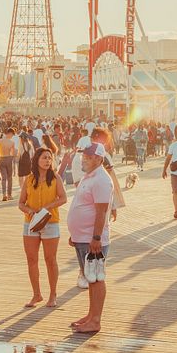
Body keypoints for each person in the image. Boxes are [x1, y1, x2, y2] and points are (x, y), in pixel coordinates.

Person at [67, 142, 113, 334]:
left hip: (92, 239)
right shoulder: (89, 176)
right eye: (83, 155)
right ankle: (90, 315)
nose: (83, 159)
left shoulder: (101, 179)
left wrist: (96, 238)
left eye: (88, 156)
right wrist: (75, 234)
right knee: (89, 277)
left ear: (99, 159)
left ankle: (96, 320)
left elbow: (101, 212)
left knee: (96, 279)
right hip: (82, 237)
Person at [18, 146, 67, 307]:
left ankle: (53, 294)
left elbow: (63, 198)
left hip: (50, 222)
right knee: (31, 259)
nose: (47, 161)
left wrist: (47, 207)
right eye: (44, 158)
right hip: (31, 223)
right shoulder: (30, 179)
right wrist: (29, 210)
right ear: (37, 160)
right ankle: (36, 294)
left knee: (50, 259)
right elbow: (21, 203)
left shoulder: (56, 178)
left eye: (49, 158)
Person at [0, 127, 18, 201]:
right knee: (9, 178)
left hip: (1, 158)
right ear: (10, 133)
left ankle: (4, 194)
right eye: (12, 134)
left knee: (3, 178)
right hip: (9, 159)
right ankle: (9, 195)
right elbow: (13, 153)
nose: (12, 136)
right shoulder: (12, 142)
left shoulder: (0, 141)